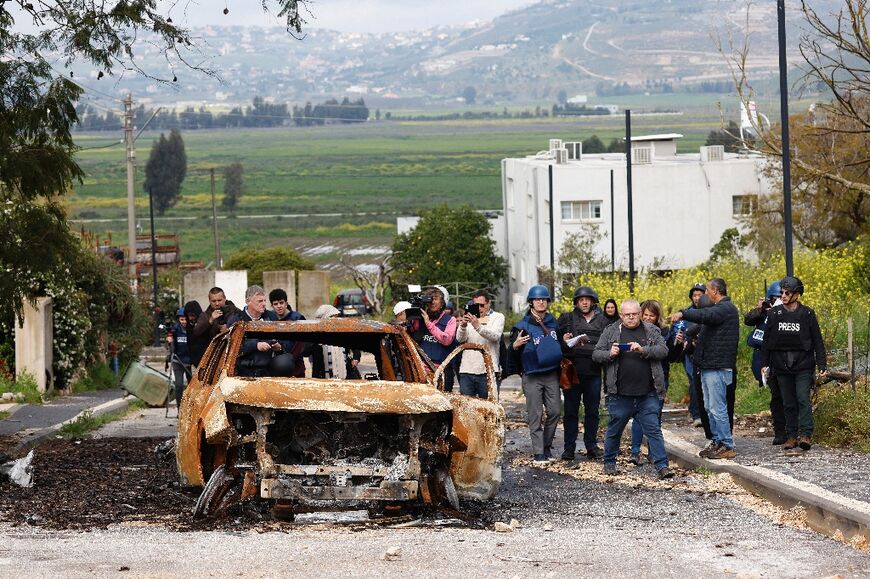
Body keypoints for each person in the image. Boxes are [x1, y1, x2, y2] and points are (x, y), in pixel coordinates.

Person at [592, 299, 674, 479]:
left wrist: (643, 349)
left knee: (654, 430)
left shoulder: (651, 330)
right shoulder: (611, 331)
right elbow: (596, 354)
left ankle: (662, 466)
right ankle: (609, 462)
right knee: (615, 430)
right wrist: (609, 354)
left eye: (634, 314)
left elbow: (663, 351)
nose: (631, 317)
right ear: (621, 315)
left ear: (640, 313)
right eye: (627, 315)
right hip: (620, 393)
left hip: (648, 392)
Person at [671, 278, 740, 460]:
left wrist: (683, 314)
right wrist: (687, 334)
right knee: (710, 407)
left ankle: (727, 444)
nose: (705, 294)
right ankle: (717, 441)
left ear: (715, 291)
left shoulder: (725, 309)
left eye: (707, 290)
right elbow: (701, 324)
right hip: (708, 366)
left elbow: (704, 317)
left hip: (718, 366)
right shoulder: (717, 312)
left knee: (718, 408)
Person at [761, 276, 827, 451]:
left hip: (803, 364)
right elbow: (766, 341)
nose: (782, 295)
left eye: (787, 292)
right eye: (781, 292)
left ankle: (805, 434)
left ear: (796, 294)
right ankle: (791, 436)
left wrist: (822, 364)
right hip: (781, 365)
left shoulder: (807, 314)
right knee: (788, 402)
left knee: (802, 398)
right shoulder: (774, 314)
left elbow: (817, 340)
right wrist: (764, 363)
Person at [508, 285, 562, 464]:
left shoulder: (554, 323)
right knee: (535, 414)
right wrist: (514, 346)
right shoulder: (522, 325)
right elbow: (511, 353)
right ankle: (539, 453)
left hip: (551, 373)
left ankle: (546, 447)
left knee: (554, 411)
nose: (541, 302)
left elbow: (559, 344)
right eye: (538, 299)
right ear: (531, 302)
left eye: (544, 299)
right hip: (532, 374)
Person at [556, 285, 607, 460]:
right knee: (570, 411)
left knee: (592, 411)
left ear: (593, 302)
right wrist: (564, 341)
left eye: (588, 299)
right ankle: (569, 448)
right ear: (576, 302)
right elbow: (555, 344)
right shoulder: (566, 319)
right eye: (581, 299)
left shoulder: (603, 321)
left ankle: (591, 446)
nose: (584, 302)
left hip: (593, 373)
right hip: (572, 371)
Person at [629, 300, 679, 465]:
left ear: (657, 317)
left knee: (655, 414)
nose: (648, 318)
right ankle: (635, 451)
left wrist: (676, 342)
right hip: (638, 376)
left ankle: (653, 452)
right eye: (646, 315)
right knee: (637, 415)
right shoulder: (634, 331)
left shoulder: (664, 332)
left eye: (652, 315)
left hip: (659, 377)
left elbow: (670, 355)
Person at [744, 280, 787, 445]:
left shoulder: (789, 312)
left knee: (788, 397)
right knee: (776, 397)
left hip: (783, 359)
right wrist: (761, 309)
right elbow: (748, 319)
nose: (779, 300)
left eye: (781, 297)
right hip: (765, 358)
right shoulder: (763, 313)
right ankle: (780, 431)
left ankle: (792, 430)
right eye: (775, 297)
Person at [456, 290, 505, 399]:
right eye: (475, 305)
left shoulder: (498, 317)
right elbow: (460, 339)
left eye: (482, 305)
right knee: (466, 408)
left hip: (488, 370)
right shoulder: (470, 316)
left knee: (489, 408)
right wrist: (463, 326)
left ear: (489, 304)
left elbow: (495, 336)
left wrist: (477, 326)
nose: (479, 308)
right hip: (467, 369)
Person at [305, 304, 362, 379]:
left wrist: (356, 358)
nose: (336, 320)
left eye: (336, 317)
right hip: (323, 378)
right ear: (325, 318)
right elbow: (305, 352)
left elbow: (356, 346)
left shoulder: (342, 333)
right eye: (332, 317)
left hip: (346, 376)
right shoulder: (315, 335)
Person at [417, 285, 458, 376]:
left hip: (442, 370)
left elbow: (447, 340)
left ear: (442, 302)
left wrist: (429, 324)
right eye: (430, 299)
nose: (432, 302)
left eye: (435, 299)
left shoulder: (450, 320)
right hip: (421, 368)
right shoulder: (420, 318)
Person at [682, 283, 706, 427]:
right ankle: (696, 414)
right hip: (690, 354)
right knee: (694, 381)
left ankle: (696, 410)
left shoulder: (709, 311)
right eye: (694, 295)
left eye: (700, 295)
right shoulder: (687, 313)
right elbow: (680, 330)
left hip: (705, 353)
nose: (697, 298)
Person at [166, 308, 192, 410]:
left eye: (186, 319)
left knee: (192, 386)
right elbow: (170, 345)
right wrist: (169, 341)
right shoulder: (175, 329)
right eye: (182, 319)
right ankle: (180, 409)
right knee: (179, 385)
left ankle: (190, 409)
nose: (184, 322)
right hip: (178, 361)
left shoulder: (192, 329)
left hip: (190, 362)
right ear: (178, 319)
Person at [182, 300, 206, 368]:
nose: (190, 318)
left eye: (192, 315)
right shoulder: (189, 327)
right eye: (188, 316)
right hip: (194, 362)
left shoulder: (204, 323)